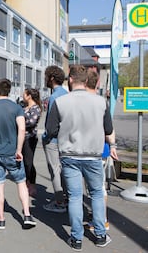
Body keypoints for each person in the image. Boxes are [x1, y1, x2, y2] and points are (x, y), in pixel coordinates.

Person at [46, 65, 114, 251]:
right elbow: (108, 129)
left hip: (69, 155)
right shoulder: (101, 102)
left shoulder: (61, 102)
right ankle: (100, 235)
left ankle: (76, 239)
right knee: (97, 194)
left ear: (70, 80)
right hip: (92, 155)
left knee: (75, 197)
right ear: (86, 81)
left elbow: (50, 130)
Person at [0, 78, 36, 230]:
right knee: (21, 182)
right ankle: (26, 215)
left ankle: (1, 219)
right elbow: (22, 130)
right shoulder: (17, 108)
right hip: (12, 153)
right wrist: (19, 150)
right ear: (9, 90)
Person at [85, 69, 118, 232]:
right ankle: (100, 218)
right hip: (101, 150)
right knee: (99, 188)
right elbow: (109, 130)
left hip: (85, 150)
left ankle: (100, 219)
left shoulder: (81, 102)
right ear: (97, 83)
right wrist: (112, 146)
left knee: (93, 189)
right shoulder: (102, 103)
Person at [41, 65, 68, 213]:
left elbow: (51, 124)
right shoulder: (67, 94)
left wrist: (45, 137)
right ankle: (66, 198)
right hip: (66, 139)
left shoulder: (54, 97)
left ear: (51, 78)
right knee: (64, 170)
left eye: (46, 76)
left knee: (55, 171)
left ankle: (59, 202)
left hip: (53, 140)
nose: (45, 79)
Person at [22, 88, 42, 197]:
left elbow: (31, 122)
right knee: (24, 162)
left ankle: (32, 184)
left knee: (29, 162)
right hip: (22, 137)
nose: (23, 95)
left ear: (29, 96)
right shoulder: (25, 107)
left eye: (24, 94)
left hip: (30, 138)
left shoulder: (35, 108)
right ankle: (26, 182)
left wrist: (21, 120)